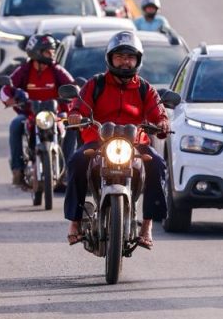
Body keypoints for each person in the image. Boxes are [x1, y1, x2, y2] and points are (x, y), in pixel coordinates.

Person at [63, 32, 171, 250]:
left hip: (135, 143)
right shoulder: (96, 84)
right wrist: (75, 114)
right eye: (120, 56)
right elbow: (78, 106)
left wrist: (162, 123)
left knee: (158, 164)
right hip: (99, 141)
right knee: (76, 161)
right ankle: (74, 222)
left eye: (130, 57)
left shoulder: (145, 88)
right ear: (110, 58)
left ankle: (147, 225)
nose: (125, 61)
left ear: (138, 60)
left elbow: (158, 113)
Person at [0, 35, 76, 188]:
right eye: (48, 52)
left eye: (52, 52)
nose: (52, 55)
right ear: (37, 52)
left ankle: (67, 169)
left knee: (71, 126)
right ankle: (18, 170)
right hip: (29, 114)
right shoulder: (24, 70)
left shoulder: (57, 70)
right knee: (15, 124)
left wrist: (72, 95)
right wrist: (13, 97)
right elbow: (5, 89)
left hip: (56, 115)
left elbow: (73, 86)